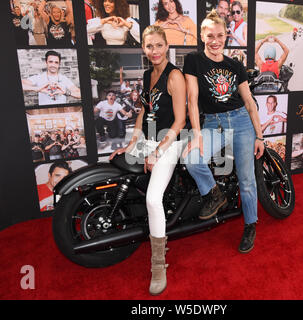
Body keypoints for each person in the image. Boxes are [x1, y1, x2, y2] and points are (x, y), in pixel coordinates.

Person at [109, 25, 187, 295]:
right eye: (148, 46)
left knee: (153, 198)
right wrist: (132, 144)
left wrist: (157, 151)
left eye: (158, 45)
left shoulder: (174, 76)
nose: (154, 51)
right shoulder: (146, 74)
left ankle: (158, 264)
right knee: (119, 162)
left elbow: (180, 120)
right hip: (152, 138)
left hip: (173, 140)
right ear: (143, 48)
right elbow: (144, 110)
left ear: (166, 46)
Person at [182, 10, 264, 254]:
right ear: (202, 36)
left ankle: (250, 224)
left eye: (220, 35)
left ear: (226, 36)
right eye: (210, 36)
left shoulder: (235, 65)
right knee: (192, 159)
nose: (215, 40)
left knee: (247, 180)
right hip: (213, 123)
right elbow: (192, 99)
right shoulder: (193, 60)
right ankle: (214, 194)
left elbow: (249, 102)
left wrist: (260, 136)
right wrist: (196, 134)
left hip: (240, 121)